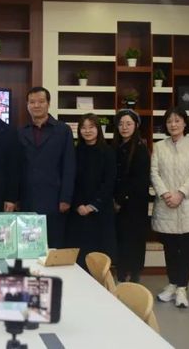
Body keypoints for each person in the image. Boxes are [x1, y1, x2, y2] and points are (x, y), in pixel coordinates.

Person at [151, 106, 189, 309]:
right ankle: (172, 284)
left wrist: (180, 193)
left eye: (177, 120)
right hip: (166, 204)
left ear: (184, 122)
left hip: (187, 204)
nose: (173, 124)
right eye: (169, 121)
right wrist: (166, 194)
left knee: (186, 248)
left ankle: (182, 288)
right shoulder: (159, 146)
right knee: (170, 248)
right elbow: (154, 173)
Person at [18, 87, 76, 248]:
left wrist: (65, 198)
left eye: (41, 101)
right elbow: (17, 166)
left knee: (53, 246)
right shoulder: (21, 132)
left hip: (54, 200)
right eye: (32, 102)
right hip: (28, 199)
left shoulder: (62, 130)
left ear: (48, 104)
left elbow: (69, 165)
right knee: (29, 246)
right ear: (27, 105)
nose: (36, 105)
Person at [68, 114, 116, 271]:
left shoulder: (108, 152)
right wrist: (78, 205)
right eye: (83, 127)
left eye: (91, 127)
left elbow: (109, 182)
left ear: (98, 129)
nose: (87, 131)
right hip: (78, 211)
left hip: (100, 212)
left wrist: (92, 205)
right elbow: (71, 181)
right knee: (80, 257)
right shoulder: (75, 152)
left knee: (99, 259)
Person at [112, 109, 151, 283]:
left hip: (134, 205)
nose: (124, 127)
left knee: (134, 241)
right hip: (117, 204)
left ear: (136, 126)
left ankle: (134, 278)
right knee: (120, 241)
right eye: (121, 124)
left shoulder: (141, 149)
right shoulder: (115, 147)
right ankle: (121, 277)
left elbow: (139, 180)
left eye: (128, 124)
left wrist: (121, 200)